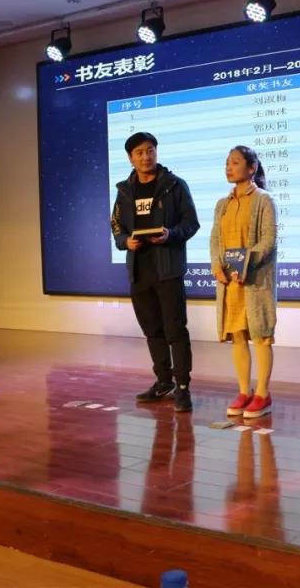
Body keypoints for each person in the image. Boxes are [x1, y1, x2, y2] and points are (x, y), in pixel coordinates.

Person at [111, 132, 200, 412]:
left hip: (168, 269)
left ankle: (182, 387)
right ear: (130, 158)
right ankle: (163, 381)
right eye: (139, 152)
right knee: (152, 330)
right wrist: (125, 242)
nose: (146, 157)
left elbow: (191, 223)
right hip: (140, 271)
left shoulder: (174, 185)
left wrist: (170, 234)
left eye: (150, 150)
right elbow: (116, 225)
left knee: (176, 330)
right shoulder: (124, 190)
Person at [209, 146, 278, 418]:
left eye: (235, 162)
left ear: (252, 168)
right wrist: (216, 266)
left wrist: (247, 264)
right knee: (237, 336)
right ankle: (243, 391)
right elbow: (215, 240)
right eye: (227, 162)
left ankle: (262, 393)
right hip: (230, 283)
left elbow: (268, 240)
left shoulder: (264, 200)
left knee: (261, 336)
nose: (229, 167)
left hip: (255, 281)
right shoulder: (222, 204)